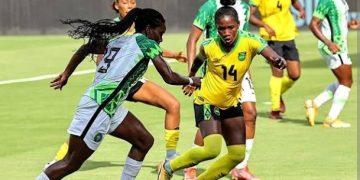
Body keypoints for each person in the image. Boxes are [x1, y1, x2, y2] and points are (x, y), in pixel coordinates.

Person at [36, 8, 201, 180]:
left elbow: (86, 48)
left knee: (143, 141)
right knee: (70, 163)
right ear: (148, 29)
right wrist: (192, 81)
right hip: (98, 107)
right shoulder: (146, 43)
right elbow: (170, 77)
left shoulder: (119, 39)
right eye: (160, 33)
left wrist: (67, 74)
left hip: (110, 107)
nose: (161, 38)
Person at [158, 6, 286, 180]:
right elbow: (197, 60)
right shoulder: (209, 46)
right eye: (221, 28)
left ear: (238, 25)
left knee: (237, 155)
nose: (226, 32)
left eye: (230, 27)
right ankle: (168, 167)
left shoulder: (250, 41)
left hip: (231, 103)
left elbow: (269, 54)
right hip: (207, 101)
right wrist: (191, 78)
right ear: (216, 28)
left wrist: (277, 60)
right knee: (212, 150)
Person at [185, 0, 258, 179]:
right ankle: (190, 165)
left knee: (251, 113)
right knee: (213, 119)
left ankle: (241, 167)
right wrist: (191, 77)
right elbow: (192, 40)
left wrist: (247, 71)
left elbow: (245, 42)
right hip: (215, 73)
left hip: (239, 73)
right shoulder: (209, 7)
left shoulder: (245, 8)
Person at [249, 0, 305, 119]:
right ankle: (275, 109)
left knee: (295, 74)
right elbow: (249, 15)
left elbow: (295, 2)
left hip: (288, 34)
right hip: (271, 37)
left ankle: (277, 93)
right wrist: (264, 25)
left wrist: (300, 10)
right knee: (278, 72)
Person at [305, 0, 352, 128]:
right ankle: (331, 119)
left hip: (339, 45)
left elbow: (335, 20)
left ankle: (314, 104)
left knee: (343, 81)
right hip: (334, 46)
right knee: (346, 82)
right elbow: (313, 24)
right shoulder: (326, 1)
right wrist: (328, 43)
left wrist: (349, 24)